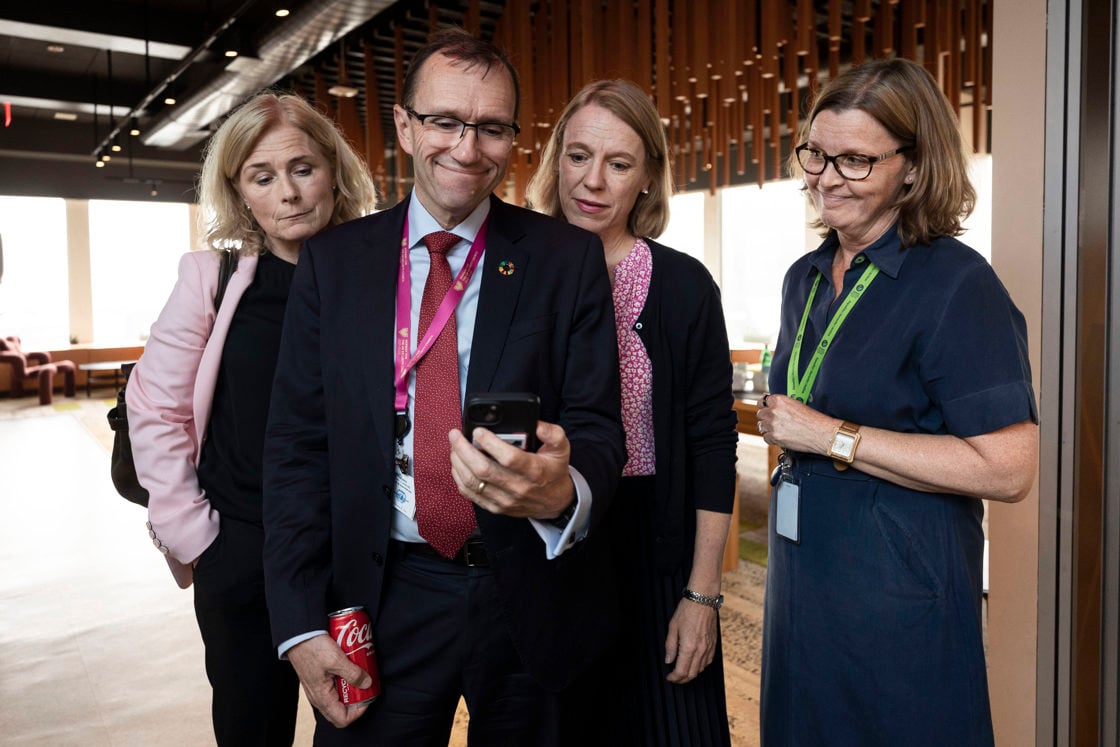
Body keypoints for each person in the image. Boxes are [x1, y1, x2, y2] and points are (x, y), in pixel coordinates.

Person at [260, 28, 625, 745]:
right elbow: (296, 449)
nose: (466, 147)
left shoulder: (565, 259)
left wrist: (565, 490)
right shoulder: (334, 264)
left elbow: (599, 424)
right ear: (404, 126)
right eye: (446, 121)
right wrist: (300, 622)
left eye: (491, 127)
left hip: (530, 589)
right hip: (384, 592)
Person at [756, 58, 1038, 746]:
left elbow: (1009, 468)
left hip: (896, 593)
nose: (827, 178)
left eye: (856, 160)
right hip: (804, 577)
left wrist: (832, 435)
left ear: (912, 169)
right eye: (817, 154)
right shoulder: (804, 277)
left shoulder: (957, 284)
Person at [127, 91, 377, 745]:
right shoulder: (212, 279)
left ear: (333, 171)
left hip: (354, 554)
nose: (287, 193)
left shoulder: (378, 279)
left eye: (302, 169)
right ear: (240, 192)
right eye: (262, 177)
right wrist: (198, 539)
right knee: (252, 731)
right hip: (240, 550)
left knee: (359, 726)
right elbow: (154, 408)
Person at [526, 79, 738, 746]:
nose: (593, 181)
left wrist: (701, 594)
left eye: (619, 164)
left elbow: (712, 445)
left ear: (648, 177)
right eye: (578, 156)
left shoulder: (684, 286)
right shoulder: (514, 274)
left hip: (658, 553)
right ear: (556, 159)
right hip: (547, 554)